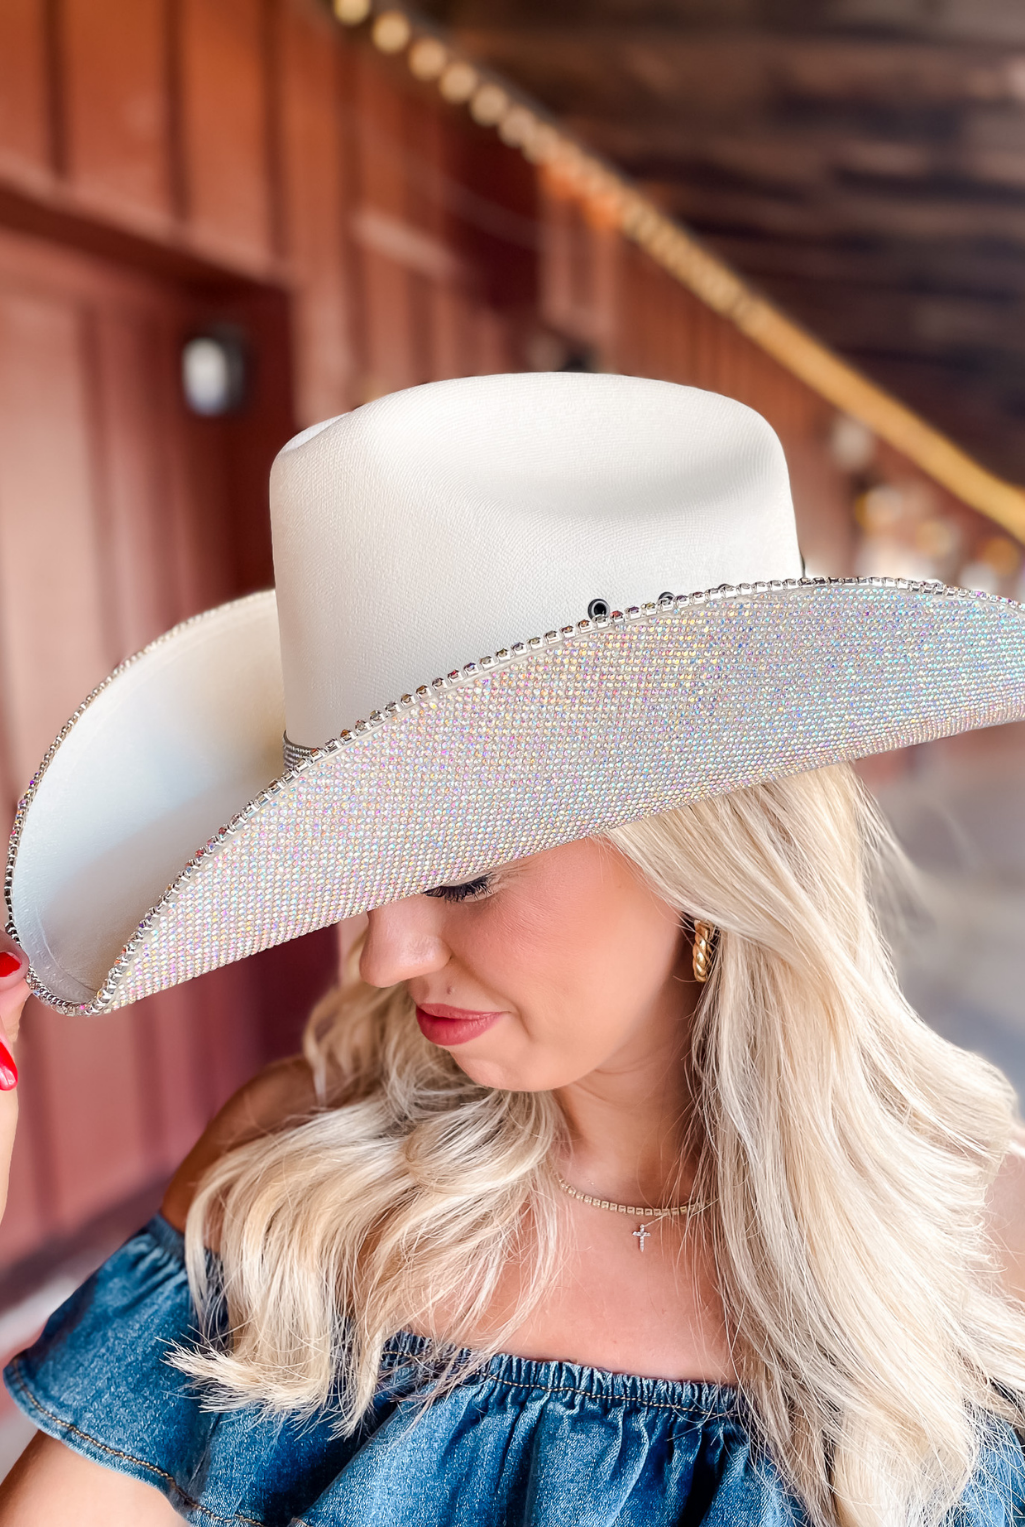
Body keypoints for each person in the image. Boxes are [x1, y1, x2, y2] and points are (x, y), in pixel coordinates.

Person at [2, 373, 1025, 1526]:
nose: (382, 956)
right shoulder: (299, 1178)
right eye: (359, 872)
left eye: (457, 873)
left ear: (700, 854)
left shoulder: (981, 1246)